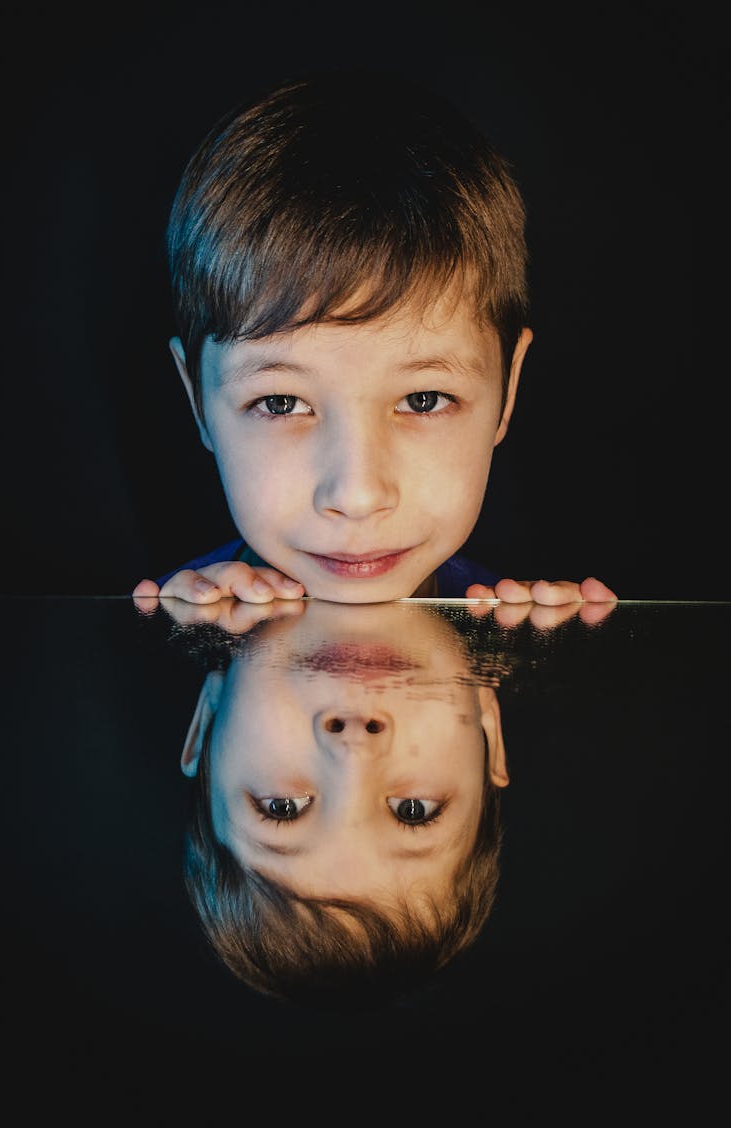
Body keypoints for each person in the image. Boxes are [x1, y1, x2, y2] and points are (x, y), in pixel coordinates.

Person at [132, 68, 617, 608]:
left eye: (423, 400)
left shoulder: (511, 637)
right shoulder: (175, 630)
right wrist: (202, 662)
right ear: (197, 399)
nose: (358, 496)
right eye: (281, 402)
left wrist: (541, 677)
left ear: (507, 389)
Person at [159, 592, 614, 1008]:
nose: (355, 748)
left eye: (283, 807)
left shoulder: (180, 589)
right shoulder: (555, 584)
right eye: (412, 811)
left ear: (203, 726)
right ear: (489, 732)